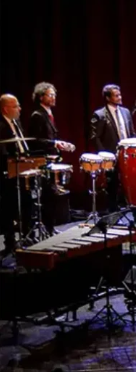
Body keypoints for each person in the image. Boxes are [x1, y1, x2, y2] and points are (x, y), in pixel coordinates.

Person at [28, 82, 76, 234]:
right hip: (42, 161)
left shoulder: (48, 113)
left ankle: (50, 227)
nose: (54, 97)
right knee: (48, 196)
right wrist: (55, 143)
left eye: (55, 94)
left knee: (52, 195)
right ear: (41, 97)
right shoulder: (37, 115)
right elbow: (34, 140)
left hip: (51, 159)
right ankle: (47, 228)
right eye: (50, 95)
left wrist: (61, 145)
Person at [90, 84, 135, 211]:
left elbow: (132, 132)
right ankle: (114, 212)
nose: (120, 97)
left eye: (120, 94)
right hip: (110, 155)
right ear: (108, 98)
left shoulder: (126, 112)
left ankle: (135, 212)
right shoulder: (99, 115)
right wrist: (104, 156)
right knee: (113, 184)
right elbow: (95, 137)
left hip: (127, 154)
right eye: (116, 96)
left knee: (131, 183)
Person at [1, 94, 32, 254]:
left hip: (23, 167)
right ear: (5, 109)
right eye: (16, 106)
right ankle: (10, 242)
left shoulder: (16, 122)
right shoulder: (1, 125)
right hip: (7, 172)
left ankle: (28, 234)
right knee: (8, 207)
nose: (20, 109)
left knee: (27, 201)